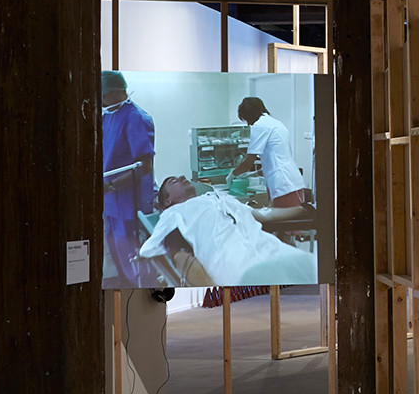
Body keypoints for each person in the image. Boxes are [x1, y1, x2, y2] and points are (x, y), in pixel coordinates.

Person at [139, 176, 317, 286]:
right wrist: (213, 290)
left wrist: (304, 210)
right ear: (167, 201)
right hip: (237, 266)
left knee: (313, 267)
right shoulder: (174, 213)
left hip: (271, 249)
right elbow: (177, 254)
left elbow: (262, 214)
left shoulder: (215, 198)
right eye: (174, 181)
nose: (182, 177)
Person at [101, 71, 155, 288]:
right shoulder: (108, 115)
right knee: (116, 253)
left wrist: (111, 185)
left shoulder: (136, 118)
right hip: (110, 202)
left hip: (129, 202)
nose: (100, 101)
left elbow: (144, 166)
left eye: (102, 95)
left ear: (115, 92)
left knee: (133, 260)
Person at [231, 97, 307, 222]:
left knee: (283, 226)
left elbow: (249, 161)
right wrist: (255, 173)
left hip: (284, 184)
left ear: (250, 115)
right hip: (291, 182)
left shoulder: (260, 126)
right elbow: (276, 158)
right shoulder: (275, 123)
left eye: (247, 120)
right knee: (287, 228)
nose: (248, 124)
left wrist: (233, 174)